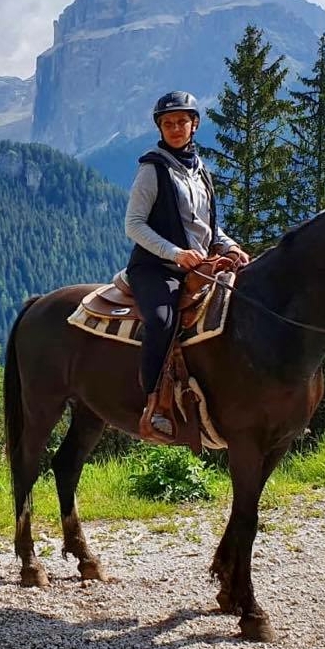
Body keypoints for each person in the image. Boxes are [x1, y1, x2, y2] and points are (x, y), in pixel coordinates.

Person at [125, 91, 250, 444]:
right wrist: (175, 253)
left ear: (194, 124)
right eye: (168, 123)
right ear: (160, 128)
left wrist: (229, 246)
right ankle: (155, 406)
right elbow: (134, 225)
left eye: (182, 121)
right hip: (156, 268)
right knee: (162, 321)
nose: (176, 128)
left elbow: (207, 226)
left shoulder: (200, 170)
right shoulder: (153, 168)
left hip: (200, 266)